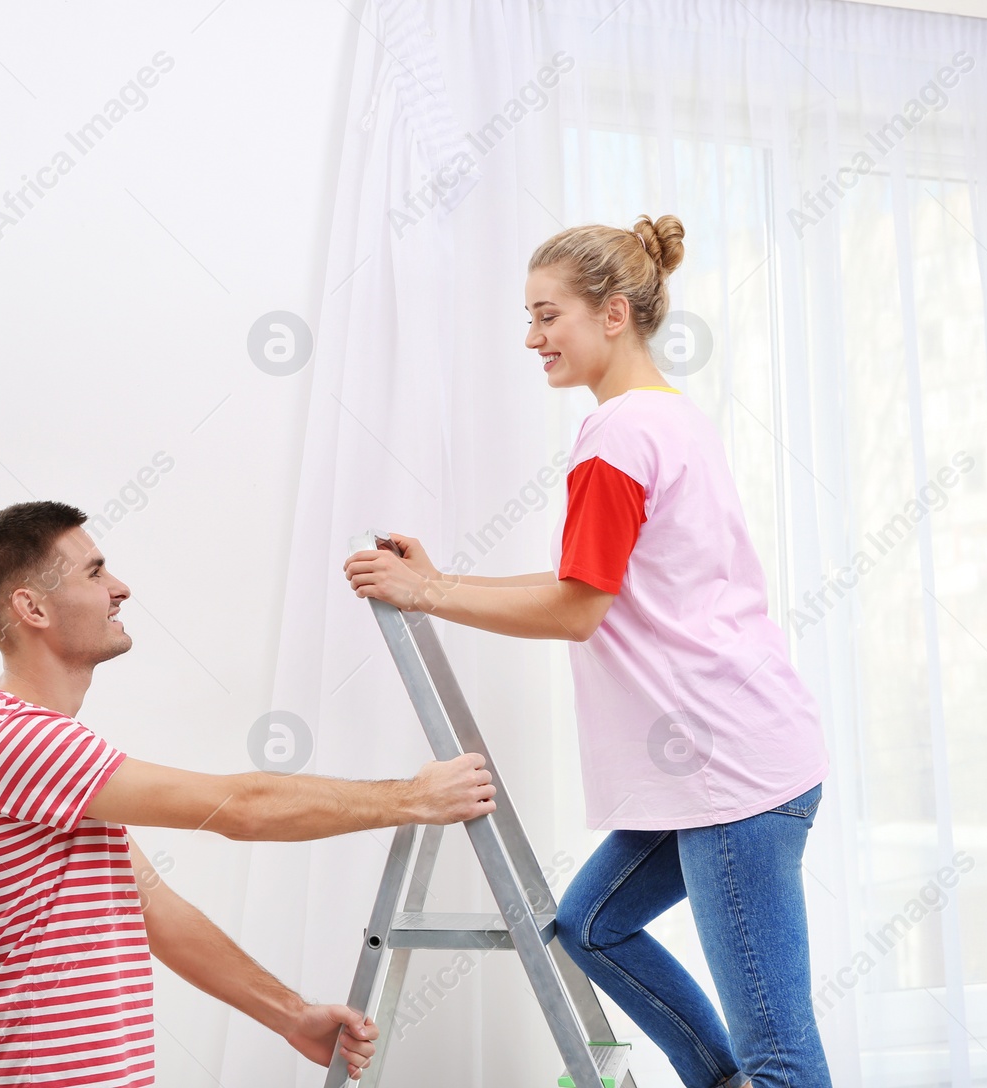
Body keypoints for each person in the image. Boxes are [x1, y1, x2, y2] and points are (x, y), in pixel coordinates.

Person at [343, 215, 832, 1088]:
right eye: (527, 320)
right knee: (593, 925)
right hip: (717, 757)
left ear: (613, 314)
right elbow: (592, 584)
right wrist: (443, 582)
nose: (532, 338)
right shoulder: (665, 420)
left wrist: (428, 593)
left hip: (728, 768)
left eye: (546, 315)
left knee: (782, 1061)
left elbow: (577, 610)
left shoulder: (616, 438)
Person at [0, 500, 497, 1087]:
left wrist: (293, 1016)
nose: (120, 587)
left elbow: (159, 914)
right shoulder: (16, 740)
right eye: (95, 571)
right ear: (31, 607)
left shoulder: (46, 752)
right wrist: (414, 797)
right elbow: (239, 808)